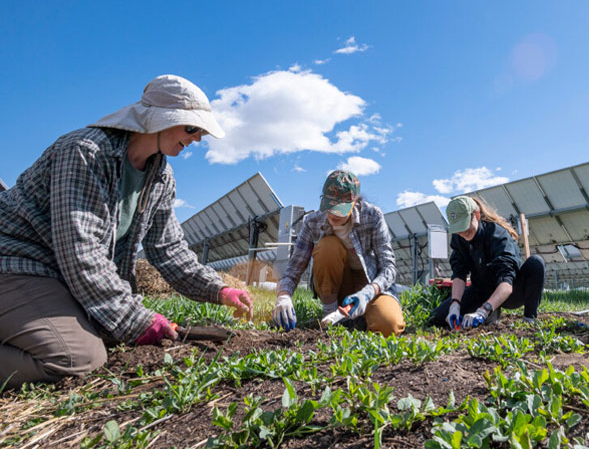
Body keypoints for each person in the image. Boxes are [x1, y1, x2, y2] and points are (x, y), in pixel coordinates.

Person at [0, 75, 253, 389]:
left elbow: (168, 249)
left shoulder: (160, 176)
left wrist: (219, 290)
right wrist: (137, 320)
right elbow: (81, 253)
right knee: (77, 358)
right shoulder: (85, 152)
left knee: (107, 331)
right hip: (16, 262)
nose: (197, 138)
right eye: (191, 128)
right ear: (159, 120)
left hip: (57, 275)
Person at [272, 170, 405, 337]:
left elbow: (389, 267)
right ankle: (332, 315)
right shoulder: (312, 222)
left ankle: (362, 314)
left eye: (340, 208)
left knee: (388, 326)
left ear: (355, 202)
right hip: (338, 285)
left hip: (370, 286)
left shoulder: (372, 217)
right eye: (329, 207)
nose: (333, 213)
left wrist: (369, 292)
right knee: (327, 246)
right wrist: (283, 296)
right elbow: (293, 270)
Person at [430, 196, 546, 329]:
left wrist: (483, 310)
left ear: (477, 215)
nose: (463, 232)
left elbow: (507, 282)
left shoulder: (497, 235)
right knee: (436, 318)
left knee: (536, 263)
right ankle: (491, 314)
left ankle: (529, 318)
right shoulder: (459, 238)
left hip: (509, 292)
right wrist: (455, 305)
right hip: (481, 290)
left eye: (466, 225)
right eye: (458, 228)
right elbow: (459, 272)